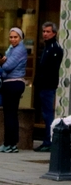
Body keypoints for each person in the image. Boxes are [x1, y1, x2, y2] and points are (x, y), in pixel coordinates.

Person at [0, 27, 28, 153]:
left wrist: (3, 62)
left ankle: (9, 144)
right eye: (11, 37)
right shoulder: (12, 49)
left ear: (20, 38)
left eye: (15, 37)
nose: (13, 39)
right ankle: (11, 143)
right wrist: (3, 62)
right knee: (11, 115)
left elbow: (7, 66)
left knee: (10, 115)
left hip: (13, 83)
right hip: (12, 83)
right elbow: (4, 64)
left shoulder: (19, 50)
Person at [32, 21, 63, 152]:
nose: (45, 34)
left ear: (54, 33)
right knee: (44, 114)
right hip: (42, 86)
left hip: (48, 86)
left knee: (47, 114)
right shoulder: (46, 47)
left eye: (48, 32)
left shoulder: (55, 48)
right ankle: (47, 140)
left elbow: (51, 69)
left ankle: (48, 141)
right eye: (44, 31)